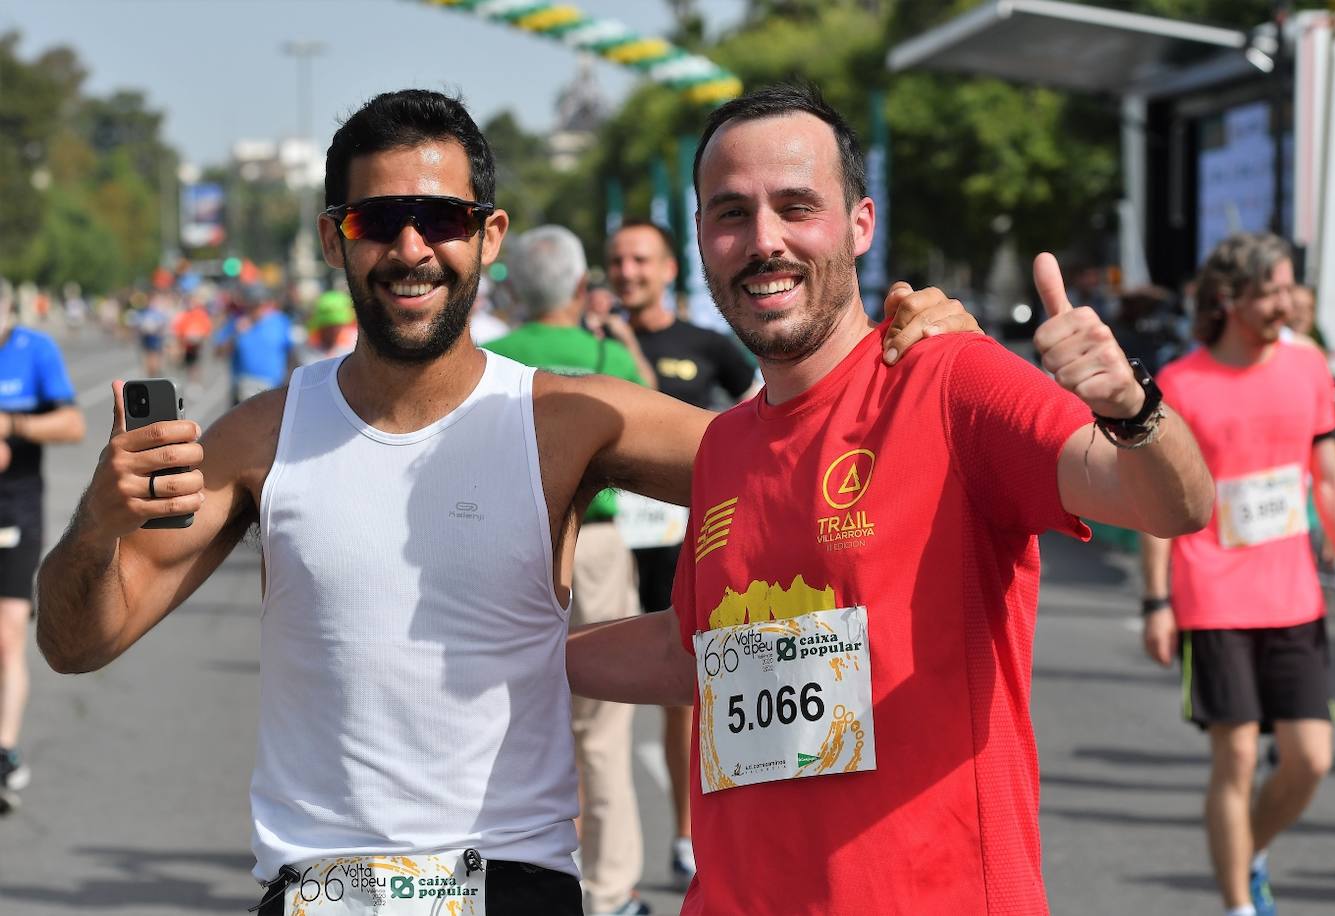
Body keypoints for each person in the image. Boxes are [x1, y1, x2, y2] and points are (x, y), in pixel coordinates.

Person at [34, 89, 972, 915]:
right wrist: (99, 523)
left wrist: (918, 356)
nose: (411, 247)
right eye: (378, 219)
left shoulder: (564, 417)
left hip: (509, 877)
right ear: (334, 237)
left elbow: (808, 461)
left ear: (489, 235)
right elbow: (75, 643)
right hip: (324, 885)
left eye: (440, 218)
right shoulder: (262, 437)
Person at [566, 83, 1214, 915]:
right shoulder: (724, 444)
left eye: (797, 207)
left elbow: (1172, 505)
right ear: (701, 239)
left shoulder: (950, 380)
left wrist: (1133, 410)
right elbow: (692, 652)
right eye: (731, 213)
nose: (763, 241)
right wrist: (516, 659)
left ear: (862, 224)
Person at [1140, 233, 1335, 916]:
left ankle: (1251, 849)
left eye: (1286, 287)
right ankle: (1241, 905)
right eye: (1269, 290)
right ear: (1228, 299)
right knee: (1236, 758)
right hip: (1212, 594)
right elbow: (1163, 504)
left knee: (1311, 759)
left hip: (1293, 593)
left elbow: (1327, 476)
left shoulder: (1308, 368)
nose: (1285, 303)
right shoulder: (1181, 385)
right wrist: (1157, 600)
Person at [487, 224, 652, 916]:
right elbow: (655, 420)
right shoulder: (606, 353)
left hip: (509, 542)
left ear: (513, 290)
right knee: (604, 727)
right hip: (603, 542)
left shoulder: (486, 360)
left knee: (505, 716)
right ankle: (610, 890)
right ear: (582, 287)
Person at [605, 218, 758, 889]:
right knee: (591, 712)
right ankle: (595, 858)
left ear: (670, 268)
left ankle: (686, 835)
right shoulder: (592, 341)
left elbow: (756, 405)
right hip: (608, 542)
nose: (626, 271)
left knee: (685, 698)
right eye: (615, 260)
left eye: (640, 259)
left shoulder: (703, 344)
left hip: (681, 540)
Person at [0, 283, 86, 812]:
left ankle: (4, 749)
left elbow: (74, 424)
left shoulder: (35, 351)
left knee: (7, 634)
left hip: (14, 509)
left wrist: (11, 425)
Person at [215, 287, 295, 405]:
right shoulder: (236, 323)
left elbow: (292, 354)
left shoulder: (280, 322)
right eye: (252, 305)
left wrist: (290, 382)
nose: (257, 310)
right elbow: (219, 352)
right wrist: (235, 334)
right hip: (243, 389)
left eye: (261, 305)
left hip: (274, 388)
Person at [299, 289, 358, 365]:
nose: (334, 330)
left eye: (338, 324)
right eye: (329, 325)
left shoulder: (356, 344)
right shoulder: (304, 347)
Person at [172, 295, 215, 386]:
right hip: (186, 344)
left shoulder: (201, 314)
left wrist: (200, 336)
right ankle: (186, 381)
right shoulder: (184, 315)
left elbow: (207, 328)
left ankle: (194, 382)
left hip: (198, 344)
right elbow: (178, 329)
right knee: (185, 363)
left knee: (196, 364)